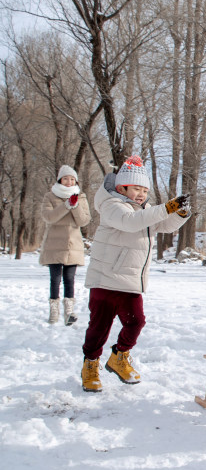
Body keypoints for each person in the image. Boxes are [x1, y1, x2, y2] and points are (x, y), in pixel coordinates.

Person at [80, 155, 191, 393]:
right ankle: (90, 364)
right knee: (99, 327)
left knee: (136, 322)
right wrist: (167, 207)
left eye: (144, 190)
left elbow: (163, 225)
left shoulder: (146, 211)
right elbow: (131, 222)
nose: (141, 194)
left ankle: (119, 356)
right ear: (122, 188)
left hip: (130, 282)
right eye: (136, 189)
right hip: (105, 279)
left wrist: (179, 215)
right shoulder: (112, 206)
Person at [39, 165, 91, 325]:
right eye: (66, 178)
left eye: (72, 179)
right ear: (60, 180)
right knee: (54, 279)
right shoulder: (50, 196)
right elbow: (49, 217)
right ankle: (54, 310)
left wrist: (75, 206)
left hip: (73, 244)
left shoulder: (81, 197)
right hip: (54, 243)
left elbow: (84, 220)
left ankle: (69, 312)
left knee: (70, 278)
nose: (69, 182)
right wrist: (66, 205)